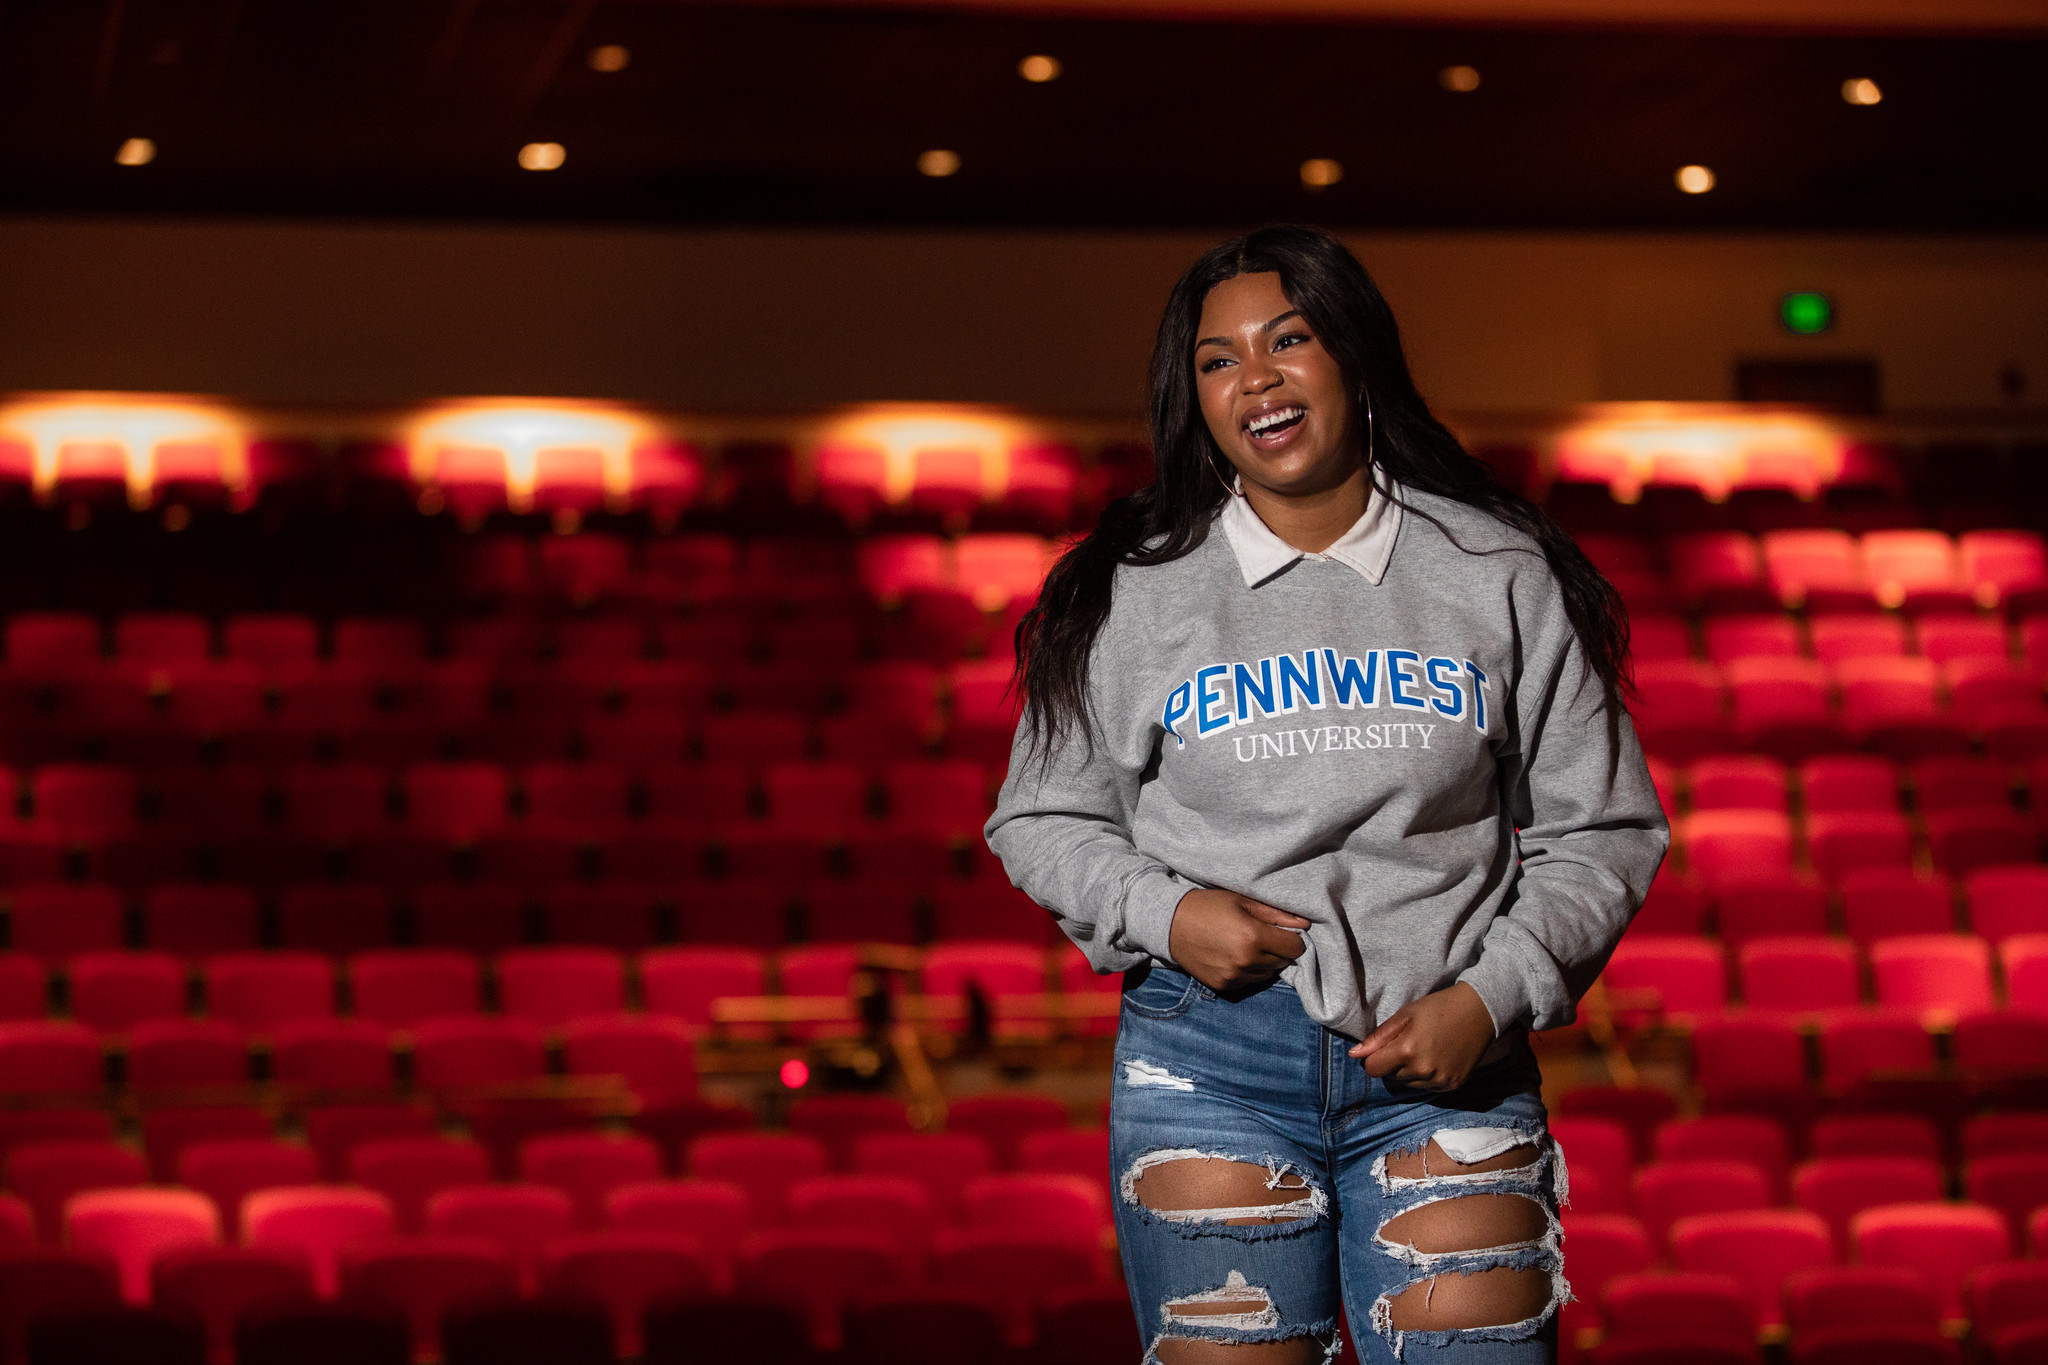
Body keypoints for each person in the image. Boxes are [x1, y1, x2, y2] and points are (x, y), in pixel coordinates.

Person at [984, 226, 1667, 1364]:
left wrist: (1489, 997)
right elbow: (1038, 817)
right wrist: (1167, 915)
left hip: (1449, 1063)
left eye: (1287, 339)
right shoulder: (1133, 588)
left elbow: (1601, 831)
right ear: (1191, 395)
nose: (1254, 377)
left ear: (1352, 358)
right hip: (1208, 1067)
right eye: (1216, 358)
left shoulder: (1494, 570)